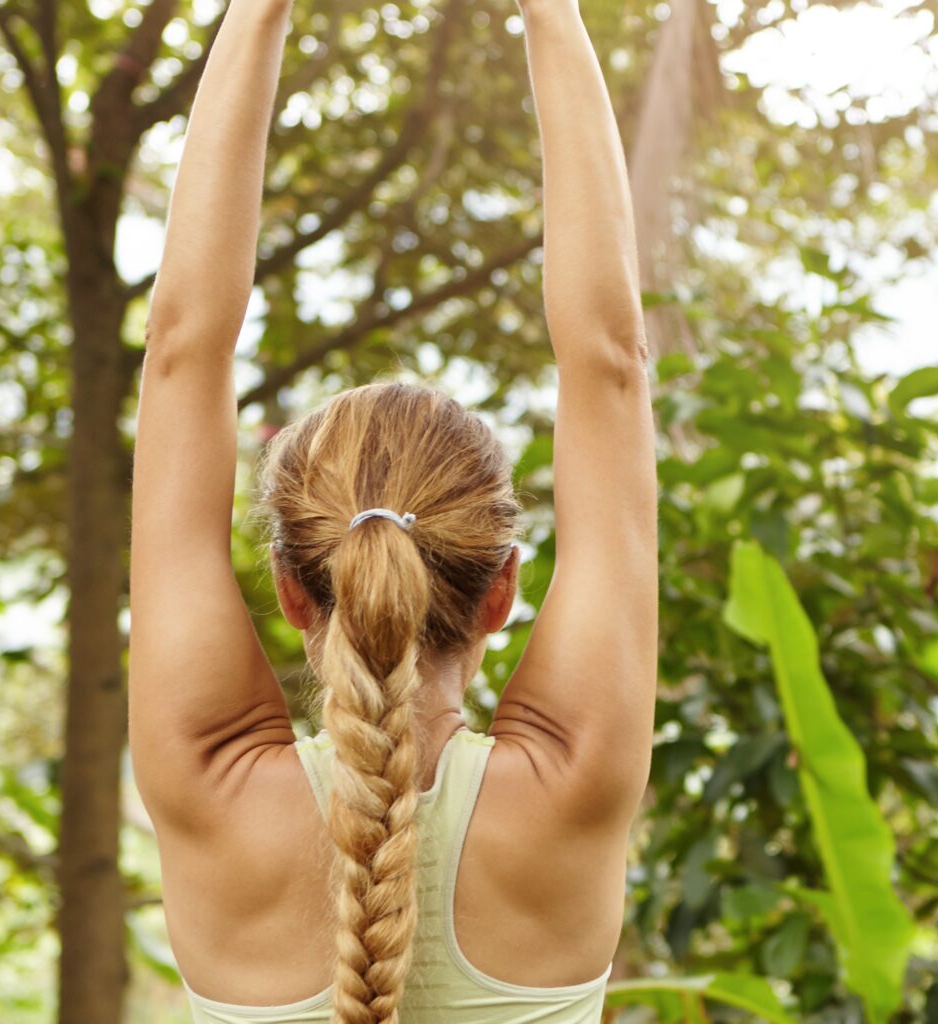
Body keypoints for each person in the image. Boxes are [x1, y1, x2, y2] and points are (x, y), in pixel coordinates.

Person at [127, 0, 656, 1019]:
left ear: (292, 587)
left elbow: (182, 351)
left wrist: (258, 11)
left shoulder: (212, 785)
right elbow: (611, 365)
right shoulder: (570, 784)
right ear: (501, 589)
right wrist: (550, 13)